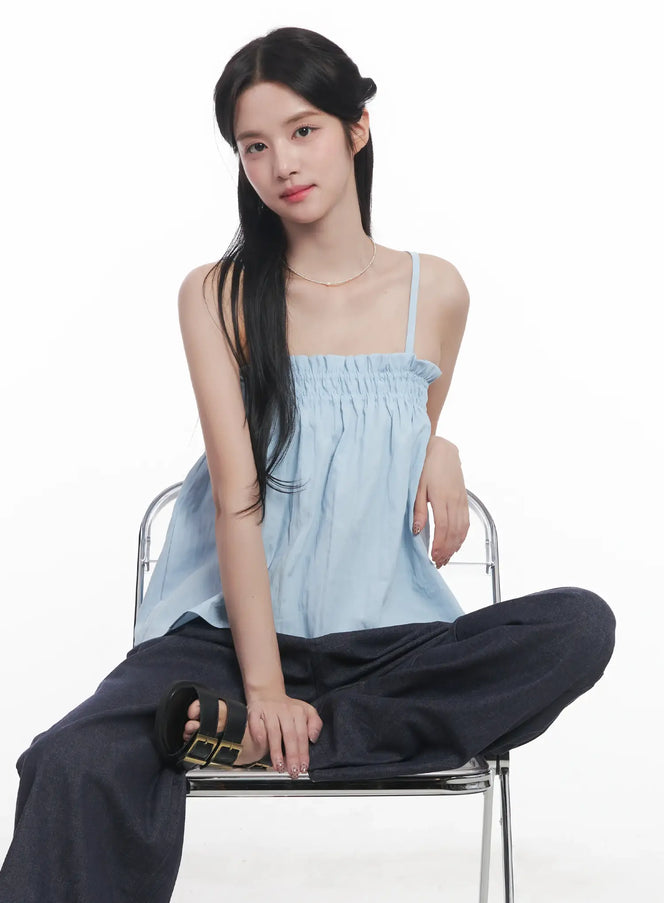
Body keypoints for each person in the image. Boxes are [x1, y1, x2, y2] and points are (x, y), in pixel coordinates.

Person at [0, 25, 616, 903]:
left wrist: (441, 447)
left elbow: (400, 439)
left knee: (580, 625)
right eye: (254, 145)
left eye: (303, 130)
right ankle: (268, 725)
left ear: (357, 127)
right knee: (71, 760)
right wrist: (263, 688)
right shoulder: (216, 294)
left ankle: (266, 737)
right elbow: (237, 500)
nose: (281, 162)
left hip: (382, 642)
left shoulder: (436, 290)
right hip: (224, 645)